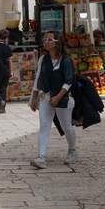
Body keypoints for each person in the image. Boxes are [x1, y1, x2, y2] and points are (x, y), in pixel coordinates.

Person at [29, 31, 76, 169]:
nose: (45, 42)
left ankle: (72, 150)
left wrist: (57, 97)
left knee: (66, 126)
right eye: (44, 39)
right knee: (44, 126)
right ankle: (41, 157)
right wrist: (34, 97)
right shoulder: (43, 59)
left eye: (49, 40)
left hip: (62, 99)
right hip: (45, 97)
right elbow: (38, 78)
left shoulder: (66, 61)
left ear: (57, 42)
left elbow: (68, 82)